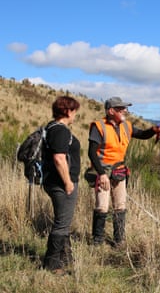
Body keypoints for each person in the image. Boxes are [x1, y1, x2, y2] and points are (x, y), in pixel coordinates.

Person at [88, 96, 160, 247]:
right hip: (102, 171)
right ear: (111, 111)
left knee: (120, 206)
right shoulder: (99, 126)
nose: (125, 111)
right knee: (102, 207)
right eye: (121, 108)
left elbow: (142, 135)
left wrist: (154, 130)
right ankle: (97, 242)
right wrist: (102, 174)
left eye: (125, 108)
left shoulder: (126, 126)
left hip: (119, 171)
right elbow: (91, 153)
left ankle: (119, 241)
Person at [42, 96, 81, 275]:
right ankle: (52, 265)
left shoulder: (50, 127)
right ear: (67, 111)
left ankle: (66, 259)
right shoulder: (60, 130)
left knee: (63, 222)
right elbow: (59, 158)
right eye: (74, 111)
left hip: (54, 182)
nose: (75, 115)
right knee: (62, 224)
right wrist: (68, 182)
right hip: (61, 184)